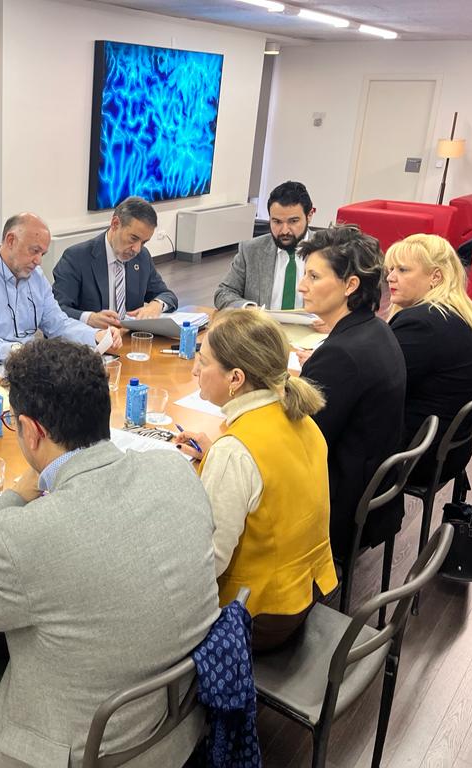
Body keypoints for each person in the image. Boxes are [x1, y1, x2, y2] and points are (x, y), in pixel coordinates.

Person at [0, 338, 219, 767]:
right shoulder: (175, 469)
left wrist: (12, 499)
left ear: (31, 430)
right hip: (175, 723)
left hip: (84, 751)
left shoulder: (26, 535)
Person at [174, 309, 336, 652]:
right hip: (305, 591)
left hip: (255, 616)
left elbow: (209, 562)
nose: (195, 370)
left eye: (203, 362)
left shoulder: (235, 452)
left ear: (235, 378)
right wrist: (216, 457)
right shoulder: (301, 418)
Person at [296, 226, 406, 558]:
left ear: (350, 285)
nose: (302, 285)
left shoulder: (340, 355)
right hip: (373, 493)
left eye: (314, 276)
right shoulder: (376, 329)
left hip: (339, 504)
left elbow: (298, 442)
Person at [0, 213, 122, 364]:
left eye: (42, 254)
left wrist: (96, 335)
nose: (39, 261)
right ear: (11, 240)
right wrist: (25, 352)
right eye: (34, 251)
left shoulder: (35, 276)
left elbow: (58, 324)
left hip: (24, 365)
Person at [385, 234, 472, 485]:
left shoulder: (423, 324)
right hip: (447, 448)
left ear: (435, 277)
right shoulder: (456, 312)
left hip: (416, 455)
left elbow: (375, 384)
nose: (390, 277)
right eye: (390, 269)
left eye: (402, 270)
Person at [52, 196, 178, 328]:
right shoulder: (76, 258)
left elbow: (167, 295)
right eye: (133, 238)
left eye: (144, 242)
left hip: (129, 336)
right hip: (93, 337)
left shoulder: (142, 257)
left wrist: (156, 305)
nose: (137, 249)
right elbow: (57, 311)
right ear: (115, 224)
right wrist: (89, 318)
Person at [214, 180, 317, 312]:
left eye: (293, 221)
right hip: (263, 324)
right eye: (277, 222)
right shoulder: (251, 250)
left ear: (309, 216)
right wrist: (249, 309)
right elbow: (224, 292)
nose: (284, 230)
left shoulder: (329, 250)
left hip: (314, 325)